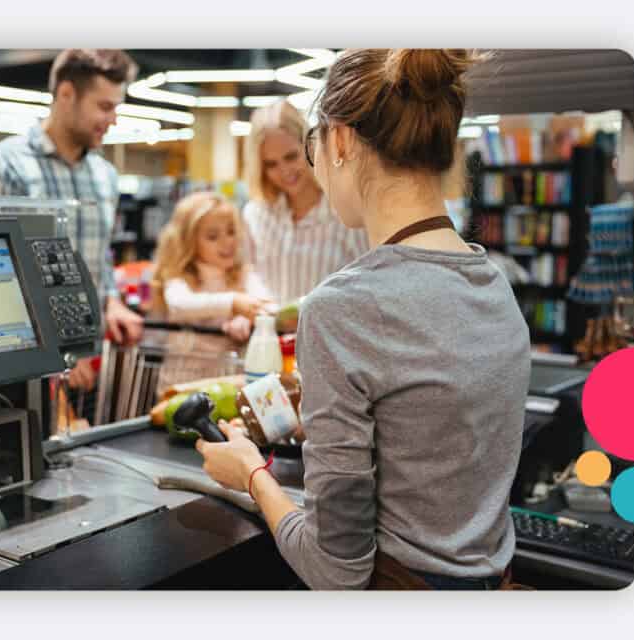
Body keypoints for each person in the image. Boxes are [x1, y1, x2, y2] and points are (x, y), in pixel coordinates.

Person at [196, 49, 531, 590]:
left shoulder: (340, 309)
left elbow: (336, 569)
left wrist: (252, 476)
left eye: (312, 147)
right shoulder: (494, 282)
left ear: (342, 140)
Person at [0, 49, 144, 393]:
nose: (113, 120)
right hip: (21, 366)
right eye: (105, 107)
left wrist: (112, 301)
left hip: (88, 361)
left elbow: (98, 257)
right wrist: (54, 351)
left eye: (116, 108)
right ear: (66, 94)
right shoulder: (5, 166)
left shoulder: (104, 176)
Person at [241, 99, 368, 306]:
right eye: (271, 164)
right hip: (269, 335)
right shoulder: (255, 214)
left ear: (310, 146)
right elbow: (247, 270)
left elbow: (367, 283)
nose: (284, 171)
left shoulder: (346, 212)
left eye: (291, 157)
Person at [150, 191, 273, 394]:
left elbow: (269, 306)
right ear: (189, 241)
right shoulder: (180, 276)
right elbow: (180, 304)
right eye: (213, 236)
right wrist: (234, 303)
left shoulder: (243, 275)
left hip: (228, 389)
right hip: (179, 387)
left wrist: (249, 319)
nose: (227, 242)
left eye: (231, 231)